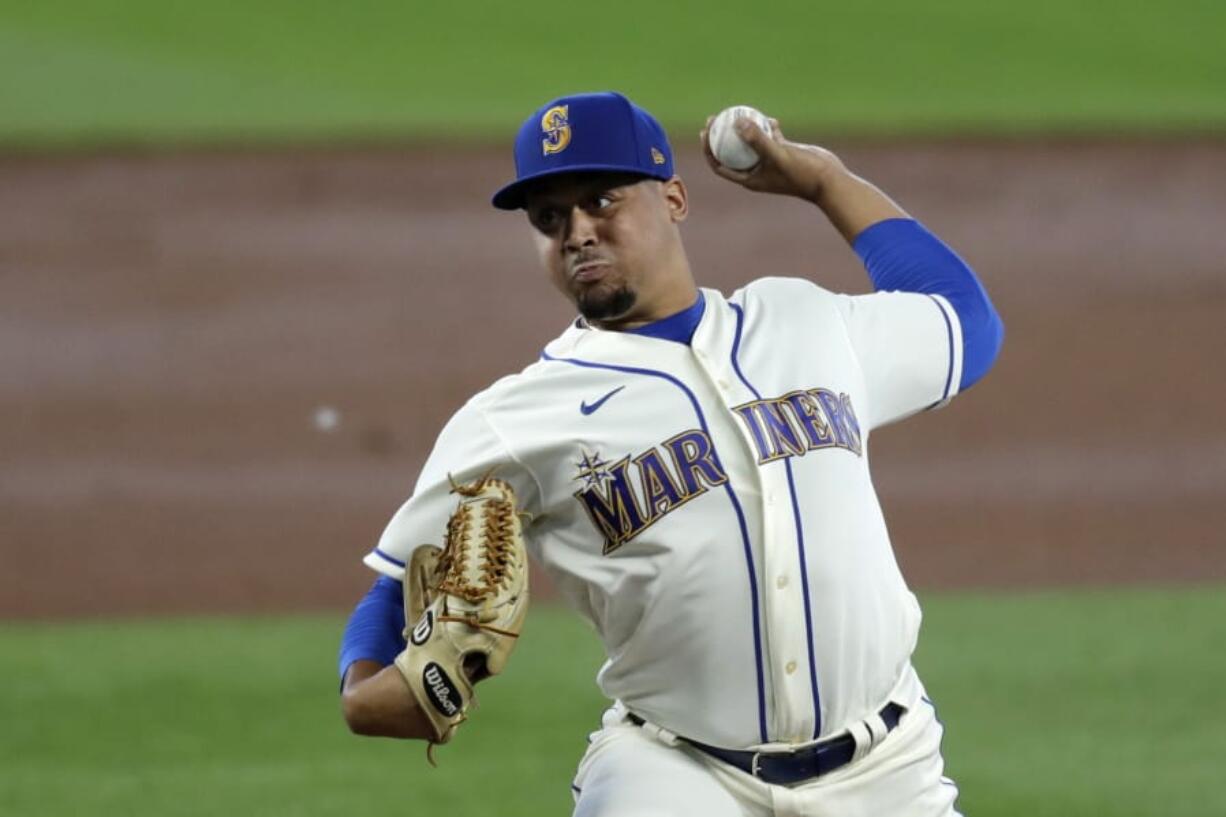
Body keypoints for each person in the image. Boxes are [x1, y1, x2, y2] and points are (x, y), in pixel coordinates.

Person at [337, 91, 1003, 816]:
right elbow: (391, 587)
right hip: (677, 776)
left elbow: (966, 320)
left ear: (675, 199)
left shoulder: (806, 321)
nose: (578, 232)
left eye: (601, 200)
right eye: (549, 218)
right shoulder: (512, 420)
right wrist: (368, 693)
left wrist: (823, 180)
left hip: (885, 770)